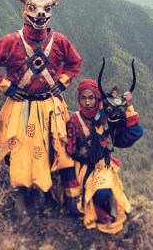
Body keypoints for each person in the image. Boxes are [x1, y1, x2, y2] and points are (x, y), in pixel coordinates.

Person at [0, 0, 83, 218]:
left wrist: (61, 83)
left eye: (46, 9)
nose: (39, 14)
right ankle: (22, 195)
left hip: (50, 105)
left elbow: (75, 63)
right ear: (23, 7)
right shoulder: (11, 41)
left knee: (57, 147)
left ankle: (45, 192)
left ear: (53, 9)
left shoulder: (59, 41)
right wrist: (5, 87)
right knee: (21, 149)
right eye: (33, 8)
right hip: (21, 105)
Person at [60, 79, 143, 234]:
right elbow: (70, 151)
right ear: (79, 99)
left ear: (97, 98)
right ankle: (100, 214)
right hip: (81, 167)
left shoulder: (107, 119)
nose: (87, 102)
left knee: (103, 192)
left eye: (91, 97)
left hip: (102, 165)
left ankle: (106, 211)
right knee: (75, 204)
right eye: (83, 98)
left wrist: (129, 107)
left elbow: (134, 133)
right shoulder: (74, 121)